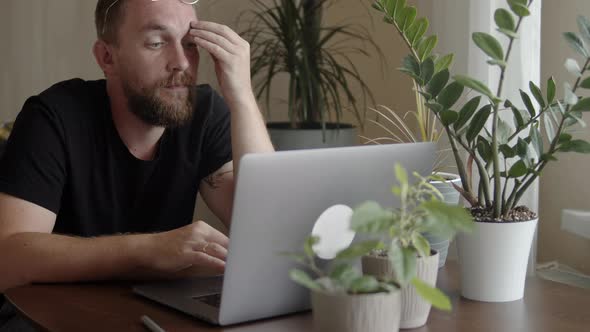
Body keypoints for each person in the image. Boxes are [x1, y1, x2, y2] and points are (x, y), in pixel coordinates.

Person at [0, 0, 274, 323]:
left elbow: (269, 233)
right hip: (49, 318)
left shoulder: (206, 116)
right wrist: (149, 250)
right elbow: (9, 260)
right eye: (156, 43)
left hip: (151, 316)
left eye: (189, 43)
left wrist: (241, 94)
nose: (182, 62)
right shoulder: (53, 118)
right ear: (107, 57)